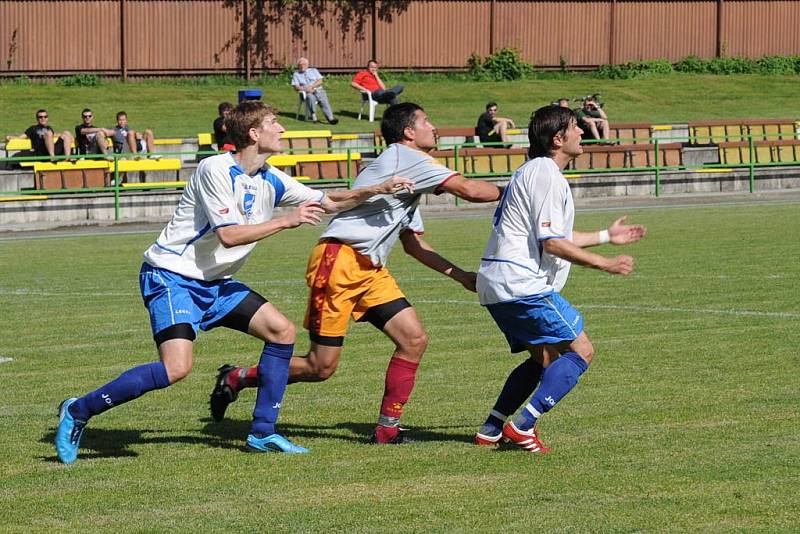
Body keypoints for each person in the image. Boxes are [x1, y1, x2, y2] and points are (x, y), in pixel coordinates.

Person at [54, 100, 414, 464]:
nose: (283, 130)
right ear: (254, 133)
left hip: (216, 283)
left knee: (282, 331)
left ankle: (263, 432)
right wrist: (285, 221)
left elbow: (330, 201)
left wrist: (378, 187)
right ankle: (79, 410)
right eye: (276, 123)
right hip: (171, 276)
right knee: (177, 368)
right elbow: (229, 235)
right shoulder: (215, 169)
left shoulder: (270, 177)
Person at [208, 102, 505, 445]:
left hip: (370, 269)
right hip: (339, 262)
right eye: (427, 121)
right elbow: (469, 190)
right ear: (408, 132)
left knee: (414, 339)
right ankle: (238, 377)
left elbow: (414, 245)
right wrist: (513, 190)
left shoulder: (407, 175)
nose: (434, 128)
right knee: (322, 367)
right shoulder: (408, 159)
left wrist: (460, 275)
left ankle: (386, 430)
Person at [473, 105, 646, 452]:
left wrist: (605, 236)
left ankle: (491, 428)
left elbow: (557, 237)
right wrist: (604, 263)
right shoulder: (546, 174)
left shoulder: (534, 172)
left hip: (498, 285)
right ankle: (523, 426)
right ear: (558, 138)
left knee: (545, 360)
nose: (582, 131)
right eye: (575, 127)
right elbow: (551, 243)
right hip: (520, 284)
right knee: (581, 352)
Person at [6, 109, 74, 160]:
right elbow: (21, 137)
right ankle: (52, 157)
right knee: (48, 133)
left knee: (66, 132)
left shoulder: (49, 128)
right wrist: (11, 137)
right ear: (37, 119)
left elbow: (55, 135)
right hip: (42, 152)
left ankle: (67, 158)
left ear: (47, 118)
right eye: (40, 117)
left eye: (45, 116)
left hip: (52, 149)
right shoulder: (33, 128)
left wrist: (68, 135)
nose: (43, 118)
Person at [292, 57, 338, 125]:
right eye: (300, 65)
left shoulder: (313, 70)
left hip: (317, 89)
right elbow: (295, 86)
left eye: (304, 64)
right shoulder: (296, 74)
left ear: (307, 65)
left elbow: (320, 81)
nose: (302, 66)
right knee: (310, 97)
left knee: (323, 99)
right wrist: (306, 89)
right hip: (306, 92)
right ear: (298, 66)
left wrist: (312, 87)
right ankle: (313, 115)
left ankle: (330, 118)